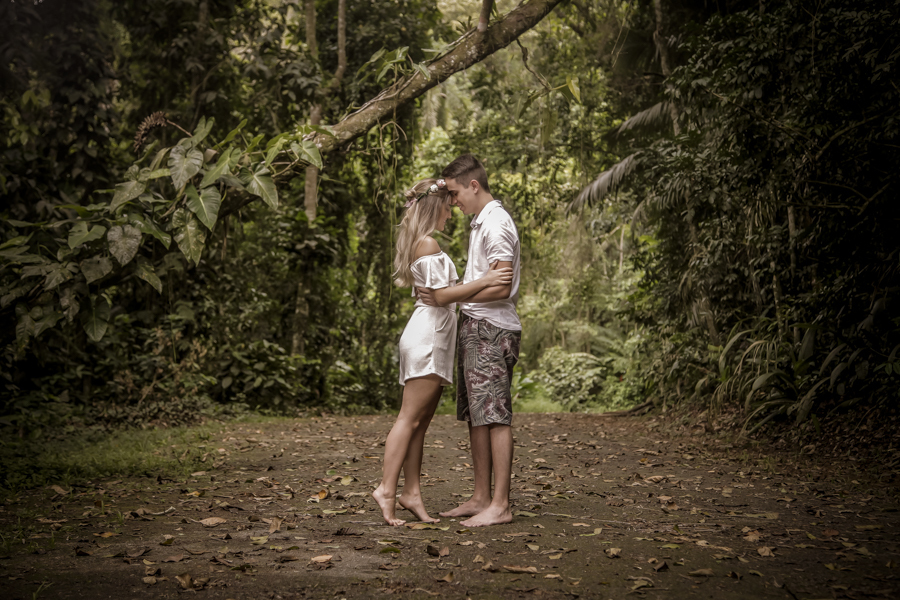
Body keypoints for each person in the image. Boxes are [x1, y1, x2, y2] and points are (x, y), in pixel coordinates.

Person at [372, 177, 514, 526]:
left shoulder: (424, 242)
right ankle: (386, 490)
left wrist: (478, 284)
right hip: (428, 336)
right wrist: (487, 281)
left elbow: (442, 294)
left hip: (433, 335)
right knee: (409, 418)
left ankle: (412, 493)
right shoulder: (428, 243)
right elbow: (441, 296)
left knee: (420, 423)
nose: (451, 213)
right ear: (434, 208)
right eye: (448, 207)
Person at [419, 154, 522, 528]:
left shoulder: (496, 224)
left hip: (493, 328)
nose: (452, 201)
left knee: (494, 415)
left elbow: (501, 283)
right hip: (477, 326)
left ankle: (501, 504)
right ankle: (481, 497)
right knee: (477, 416)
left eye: (455, 192)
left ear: (474, 186)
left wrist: (450, 295)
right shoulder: (481, 223)